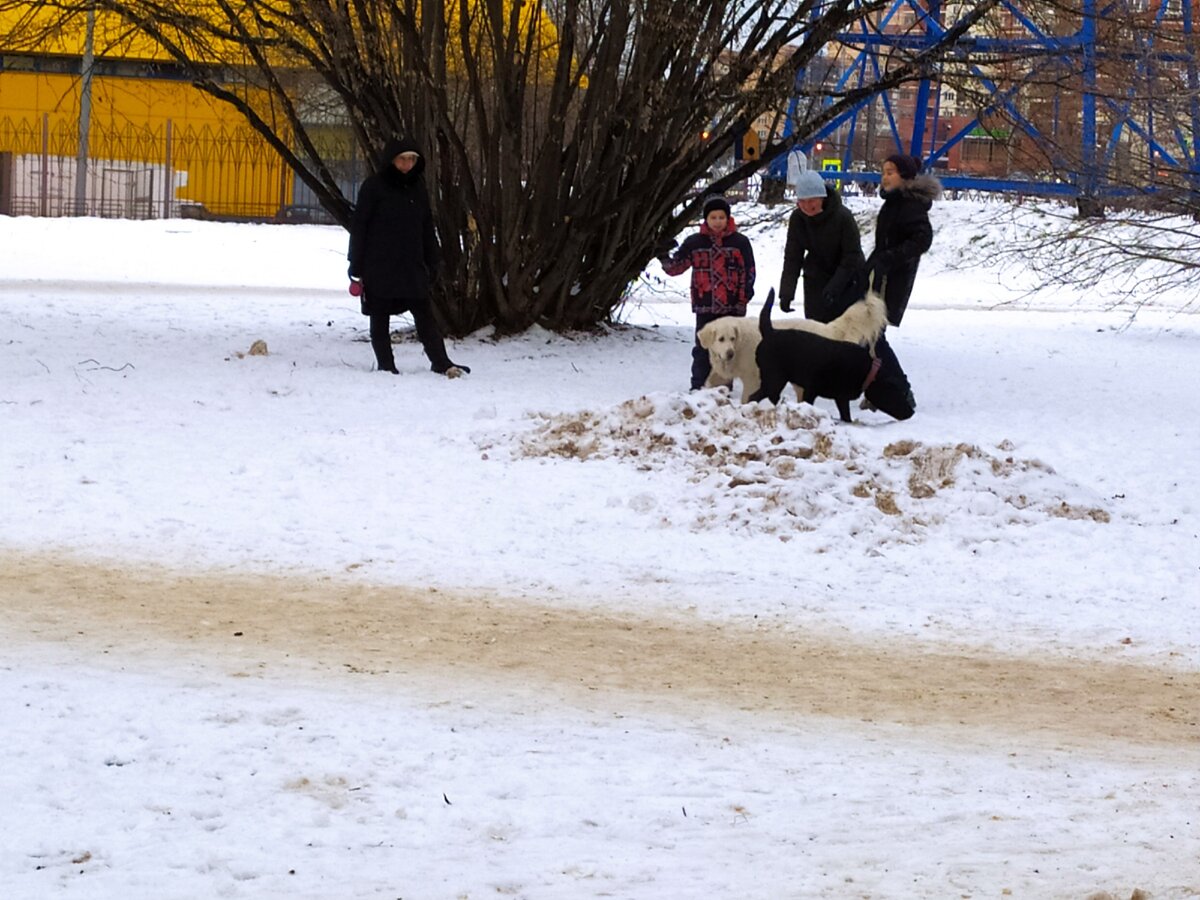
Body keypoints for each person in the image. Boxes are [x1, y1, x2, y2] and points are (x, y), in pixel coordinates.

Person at [348, 137, 470, 377]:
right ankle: (386, 366)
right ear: (391, 160)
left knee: (425, 316)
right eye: (402, 159)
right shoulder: (374, 187)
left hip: (411, 265)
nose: (407, 164)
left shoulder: (417, 187)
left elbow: (426, 226)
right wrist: (356, 263)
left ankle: (441, 362)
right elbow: (360, 226)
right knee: (379, 317)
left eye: (412, 159)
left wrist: (433, 260)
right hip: (379, 265)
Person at [861, 152, 941, 413]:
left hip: (891, 282)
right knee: (871, 336)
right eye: (883, 172)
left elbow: (922, 239)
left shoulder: (910, 205)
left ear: (905, 177)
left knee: (875, 336)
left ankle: (901, 391)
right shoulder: (894, 203)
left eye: (890, 173)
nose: (884, 178)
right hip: (879, 277)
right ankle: (880, 391)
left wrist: (889, 258)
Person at [658, 195, 756, 390]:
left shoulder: (739, 243)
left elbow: (749, 272)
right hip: (705, 304)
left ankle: (722, 387)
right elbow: (676, 267)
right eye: (713, 217)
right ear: (706, 219)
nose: (717, 222)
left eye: (721, 217)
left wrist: (743, 297)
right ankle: (698, 386)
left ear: (728, 218)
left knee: (728, 349)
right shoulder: (695, 242)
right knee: (703, 346)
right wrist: (662, 255)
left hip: (731, 306)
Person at [778, 168, 865, 322]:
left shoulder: (842, 217)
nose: (806, 206)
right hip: (816, 278)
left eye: (811, 200)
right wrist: (786, 293)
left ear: (822, 197)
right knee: (817, 328)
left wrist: (835, 287)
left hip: (847, 278)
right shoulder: (798, 219)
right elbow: (793, 257)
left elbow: (852, 256)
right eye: (802, 201)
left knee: (845, 329)